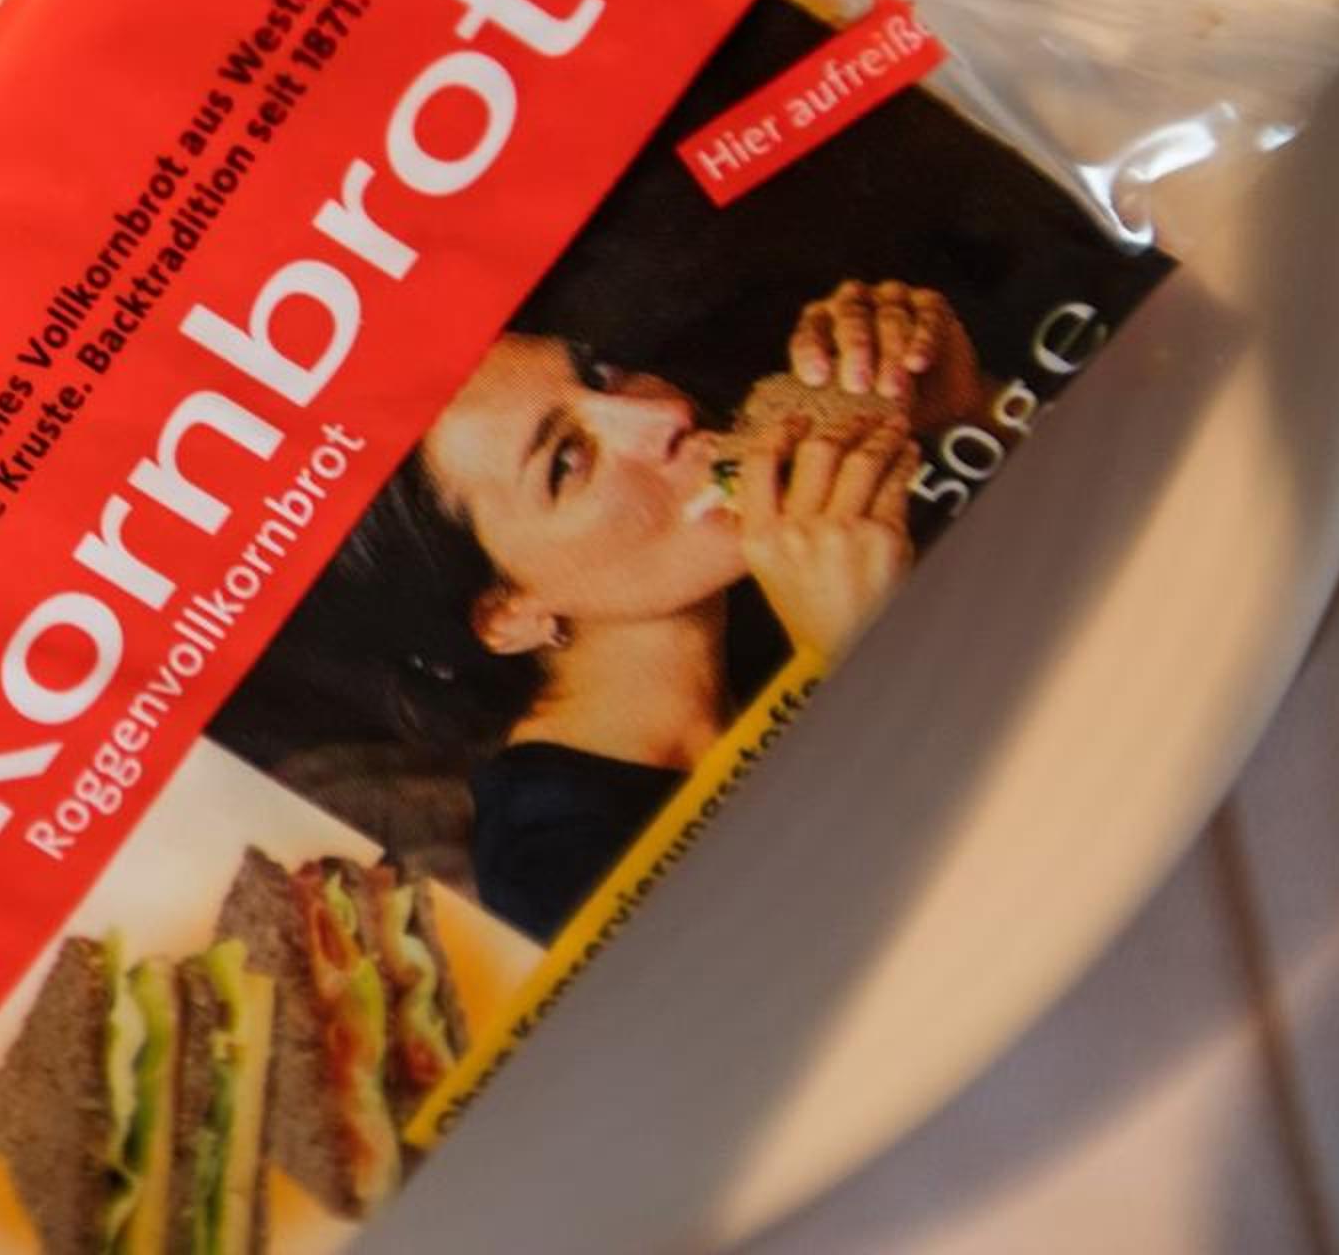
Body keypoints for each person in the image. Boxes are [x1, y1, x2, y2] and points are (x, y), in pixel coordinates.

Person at [296, 280, 987, 943]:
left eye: (601, 376)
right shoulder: (556, 862)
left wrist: (967, 405)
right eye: (568, 461)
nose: (664, 415)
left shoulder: (788, 571)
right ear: (507, 615)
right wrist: (862, 667)